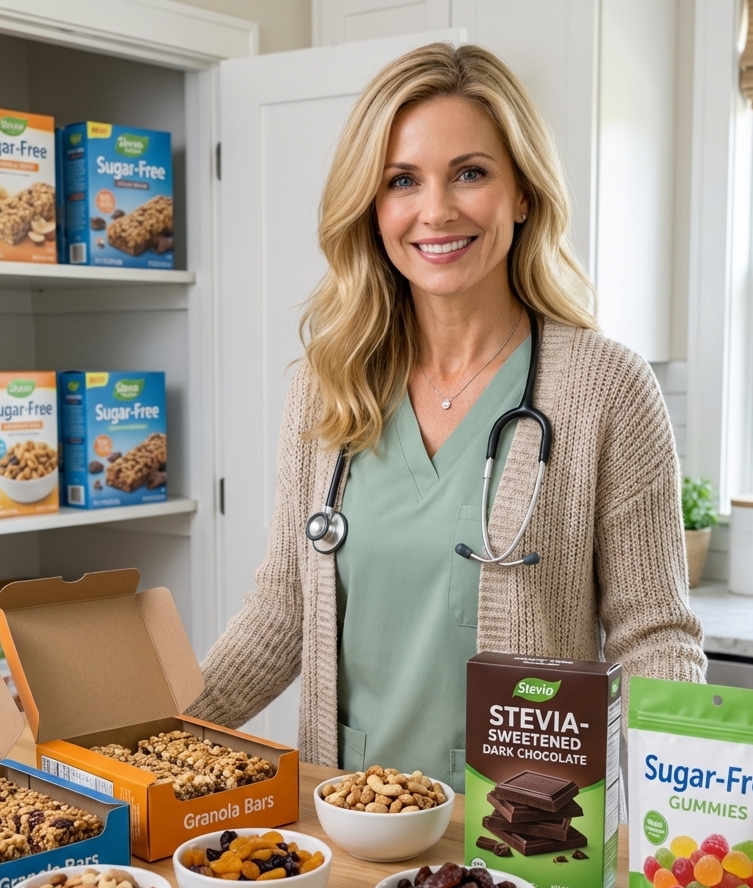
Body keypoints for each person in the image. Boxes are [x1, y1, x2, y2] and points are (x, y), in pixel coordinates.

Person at [187, 43, 705, 791]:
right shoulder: (326, 387)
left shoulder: (604, 387)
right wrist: (142, 738)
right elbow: (283, 611)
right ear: (372, 207)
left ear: (522, 192)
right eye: (403, 180)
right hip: (351, 820)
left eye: (471, 172)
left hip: (529, 840)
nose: (437, 210)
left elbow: (653, 634)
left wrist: (675, 812)